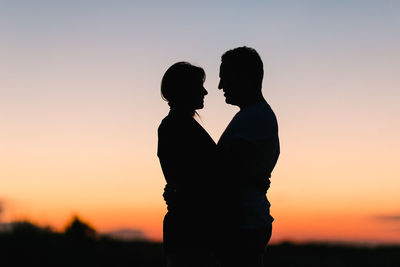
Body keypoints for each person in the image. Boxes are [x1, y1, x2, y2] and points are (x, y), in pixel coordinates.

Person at [214, 46, 280, 267]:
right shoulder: (250, 116)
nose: (220, 86)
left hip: (242, 226)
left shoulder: (255, 117)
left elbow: (224, 173)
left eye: (225, 78)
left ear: (245, 77)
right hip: (243, 223)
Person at [157, 62, 219, 267]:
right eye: (198, 85)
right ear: (184, 89)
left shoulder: (180, 124)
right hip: (190, 232)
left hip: (192, 229)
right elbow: (190, 180)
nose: (205, 91)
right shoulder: (175, 126)